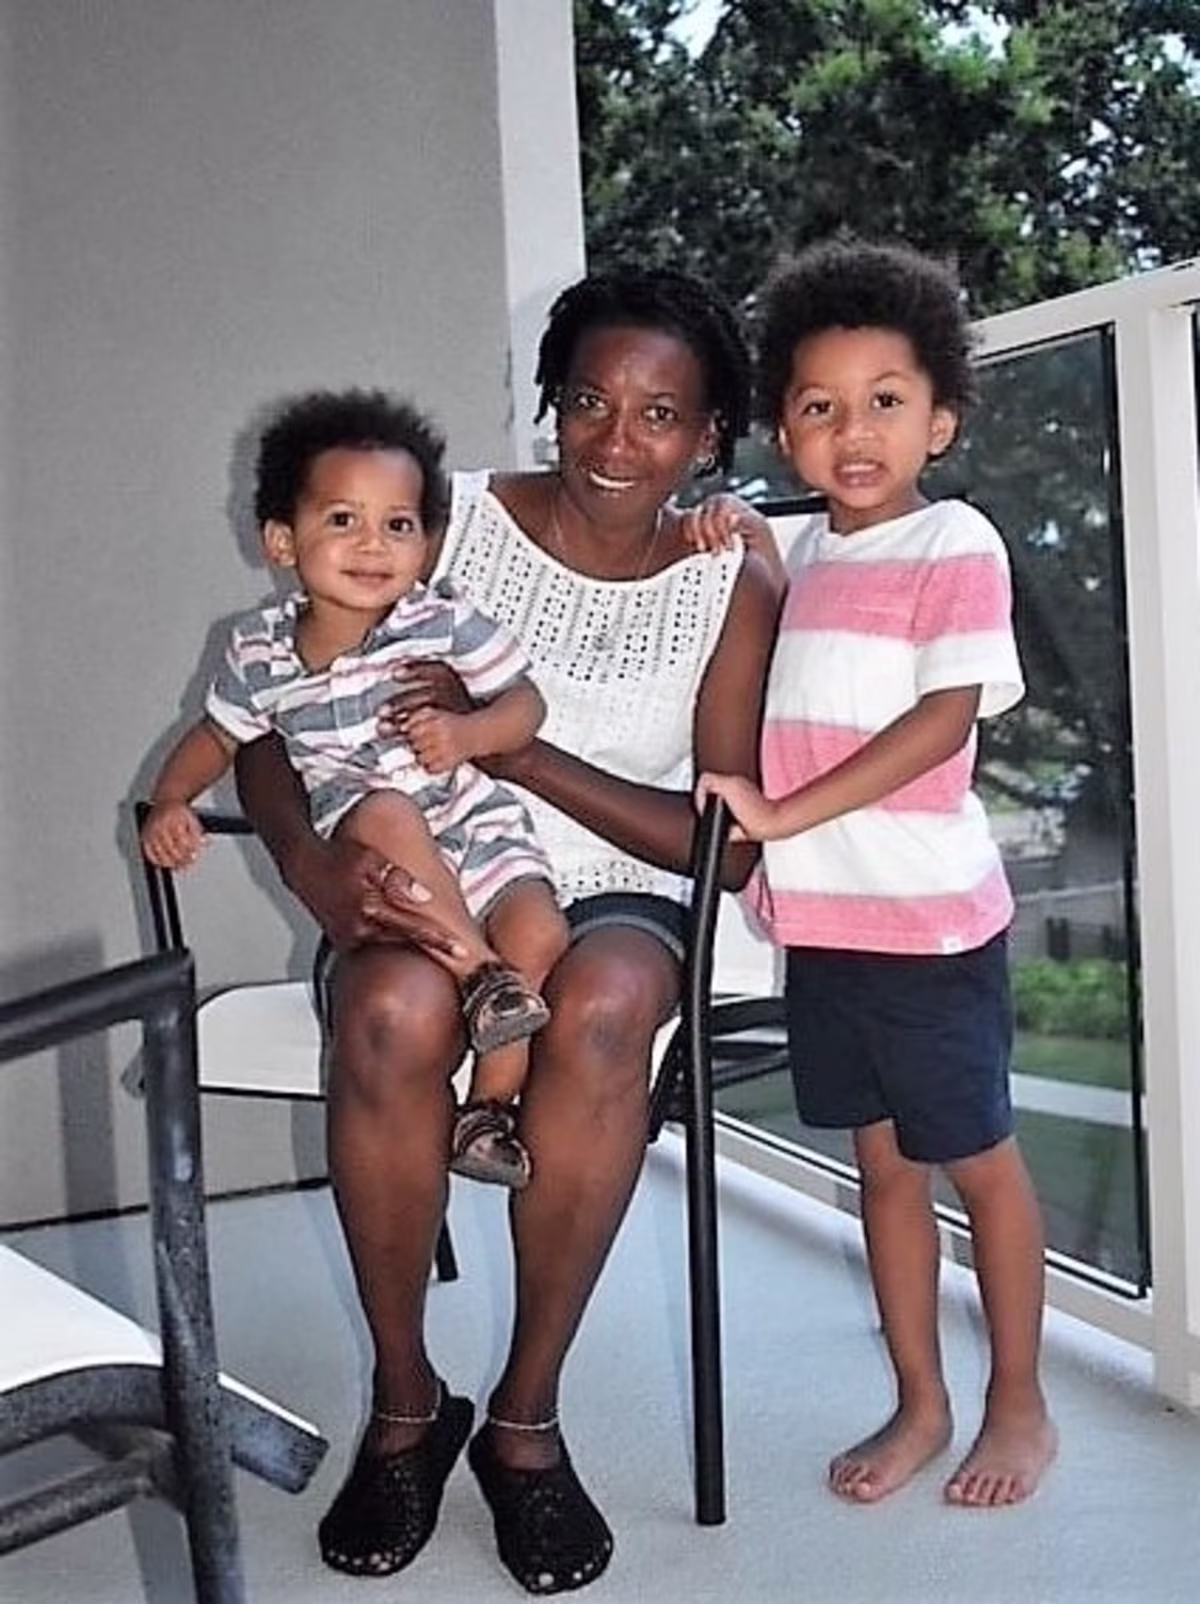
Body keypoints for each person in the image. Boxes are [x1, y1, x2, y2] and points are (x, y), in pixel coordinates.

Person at [234, 268, 783, 1591]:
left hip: (624, 891)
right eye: (589, 400)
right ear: (551, 403)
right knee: (392, 1008)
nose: (616, 439)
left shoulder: (727, 578)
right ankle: (410, 1406)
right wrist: (313, 873)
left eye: (662, 414)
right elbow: (265, 729)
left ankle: (525, 1425)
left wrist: (518, 755)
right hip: (426, 871)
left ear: (709, 437)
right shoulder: (447, 522)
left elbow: (724, 841)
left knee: (596, 1008)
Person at [697, 237, 1058, 1510]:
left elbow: (938, 723)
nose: (853, 430)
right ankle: (921, 1397)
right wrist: (746, 543)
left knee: (980, 1161)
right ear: (783, 431)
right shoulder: (813, 559)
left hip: (929, 930)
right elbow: (776, 604)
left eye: (885, 401)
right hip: (828, 931)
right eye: (818, 405)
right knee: (883, 1165)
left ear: (941, 418)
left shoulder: (955, 540)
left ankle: (1019, 1398)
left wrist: (782, 807)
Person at [140, 389, 571, 1190]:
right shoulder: (260, 653)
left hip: (473, 824)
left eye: (397, 524)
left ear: (425, 542)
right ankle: (478, 970)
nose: (373, 544)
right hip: (382, 856)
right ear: (280, 539)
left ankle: (488, 1109)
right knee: (384, 810)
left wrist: (470, 734)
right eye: (343, 520)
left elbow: (526, 706)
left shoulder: (442, 621)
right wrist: (172, 800)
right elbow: (217, 737)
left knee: (542, 931)